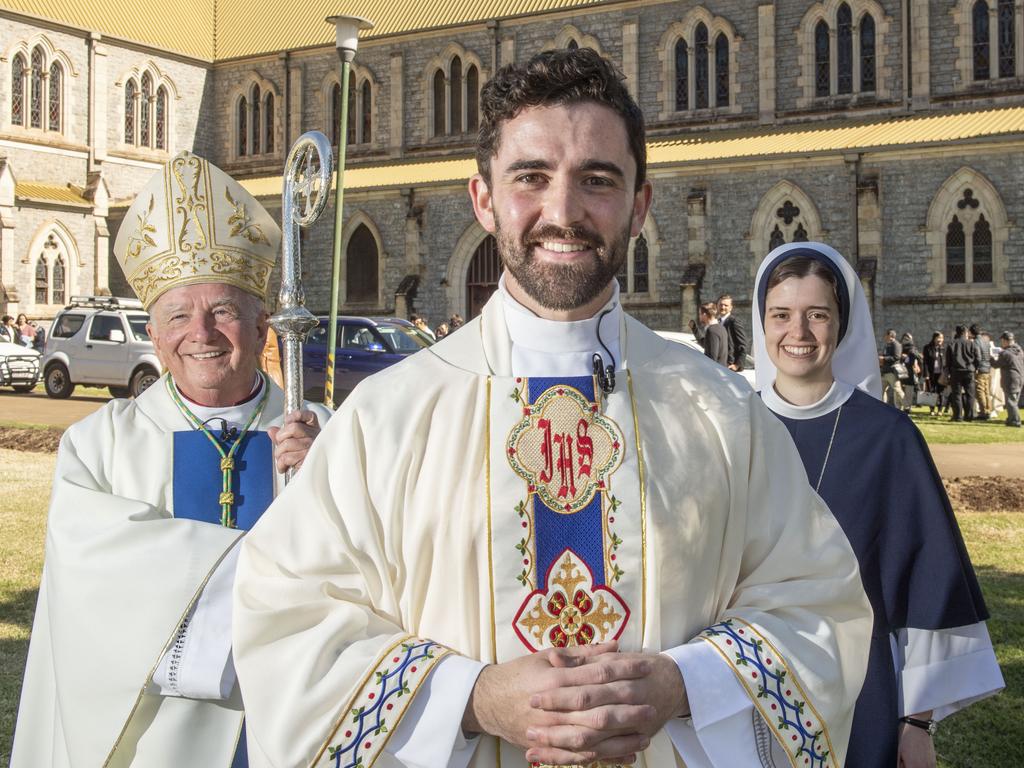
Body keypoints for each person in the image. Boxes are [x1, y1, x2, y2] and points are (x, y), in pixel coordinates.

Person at [232, 48, 871, 768]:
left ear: (640, 204)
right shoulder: (387, 419)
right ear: (483, 199)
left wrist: (683, 684)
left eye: (597, 181)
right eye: (531, 177)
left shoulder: (725, 415)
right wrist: (470, 699)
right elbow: (287, 622)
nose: (562, 213)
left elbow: (819, 606)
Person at [10, 152, 331, 767]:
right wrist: (270, 574)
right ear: (153, 335)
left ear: (264, 325)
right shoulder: (98, 446)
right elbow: (94, 589)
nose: (201, 333)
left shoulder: (328, 436)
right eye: (178, 315)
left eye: (224, 311)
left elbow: (383, 571)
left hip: (297, 727)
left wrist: (328, 484)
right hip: (155, 740)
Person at [751, 242, 1003, 768]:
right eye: (781, 315)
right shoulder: (730, 426)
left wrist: (916, 723)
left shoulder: (889, 437)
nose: (797, 333)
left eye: (817, 314)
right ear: (762, 321)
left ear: (841, 325)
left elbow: (928, 582)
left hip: (860, 690)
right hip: (740, 685)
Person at [946, 325, 978, 421]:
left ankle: (958, 416)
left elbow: (948, 360)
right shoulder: (971, 344)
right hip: (969, 371)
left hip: (956, 371)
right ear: (965, 332)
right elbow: (978, 358)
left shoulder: (952, 344)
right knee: (970, 394)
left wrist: (949, 370)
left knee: (956, 394)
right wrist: (975, 368)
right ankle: (969, 415)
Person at [992, 331, 1023, 427]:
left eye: (1002, 341)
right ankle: (1010, 419)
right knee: (1014, 401)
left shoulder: (1005, 353)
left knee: (1011, 402)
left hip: (1010, 379)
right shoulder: (1020, 351)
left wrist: (990, 358)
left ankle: (1016, 421)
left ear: (1005, 341)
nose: (1001, 343)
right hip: (1020, 378)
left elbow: (996, 365)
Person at [716, 293, 748, 372]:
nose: (723, 307)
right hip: (719, 365)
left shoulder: (734, 322)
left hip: (730, 366)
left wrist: (737, 365)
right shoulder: (718, 322)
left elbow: (743, 345)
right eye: (721, 305)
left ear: (731, 308)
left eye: (726, 305)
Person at [693, 301, 729, 366]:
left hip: (715, 372)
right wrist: (694, 329)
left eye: (700, 314)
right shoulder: (721, 328)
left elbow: (712, 357)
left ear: (704, 315)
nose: (699, 316)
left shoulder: (712, 330)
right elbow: (706, 344)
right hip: (721, 370)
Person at [971, 324, 994, 420]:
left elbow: (978, 357)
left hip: (980, 369)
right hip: (987, 368)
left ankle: (983, 412)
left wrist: (976, 368)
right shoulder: (986, 341)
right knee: (987, 391)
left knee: (980, 391)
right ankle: (988, 410)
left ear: (972, 333)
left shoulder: (976, 342)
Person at [922, 331, 948, 416]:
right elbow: (925, 362)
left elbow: (946, 362)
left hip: (941, 374)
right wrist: (926, 374)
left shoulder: (943, 349)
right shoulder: (927, 348)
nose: (940, 340)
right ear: (934, 338)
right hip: (931, 373)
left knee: (941, 392)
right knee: (931, 391)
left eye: (941, 338)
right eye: (938, 338)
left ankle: (940, 409)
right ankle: (932, 409)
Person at [879, 327, 904, 407]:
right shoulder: (887, 345)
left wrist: (884, 358)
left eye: (886, 335)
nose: (885, 337)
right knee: (881, 390)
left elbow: (897, 357)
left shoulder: (896, 344)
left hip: (892, 372)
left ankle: (906, 406)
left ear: (890, 335)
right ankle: (883, 406)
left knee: (897, 390)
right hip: (885, 371)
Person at [900, 332, 923, 414]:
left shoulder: (913, 348)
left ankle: (907, 407)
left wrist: (907, 357)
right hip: (901, 371)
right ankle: (902, 406)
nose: (905, 340)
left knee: (909, 391)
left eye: (908, 338)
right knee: (901, 390)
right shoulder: (900, 347)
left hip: (910, 372)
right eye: (904, 338)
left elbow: (918, 358)